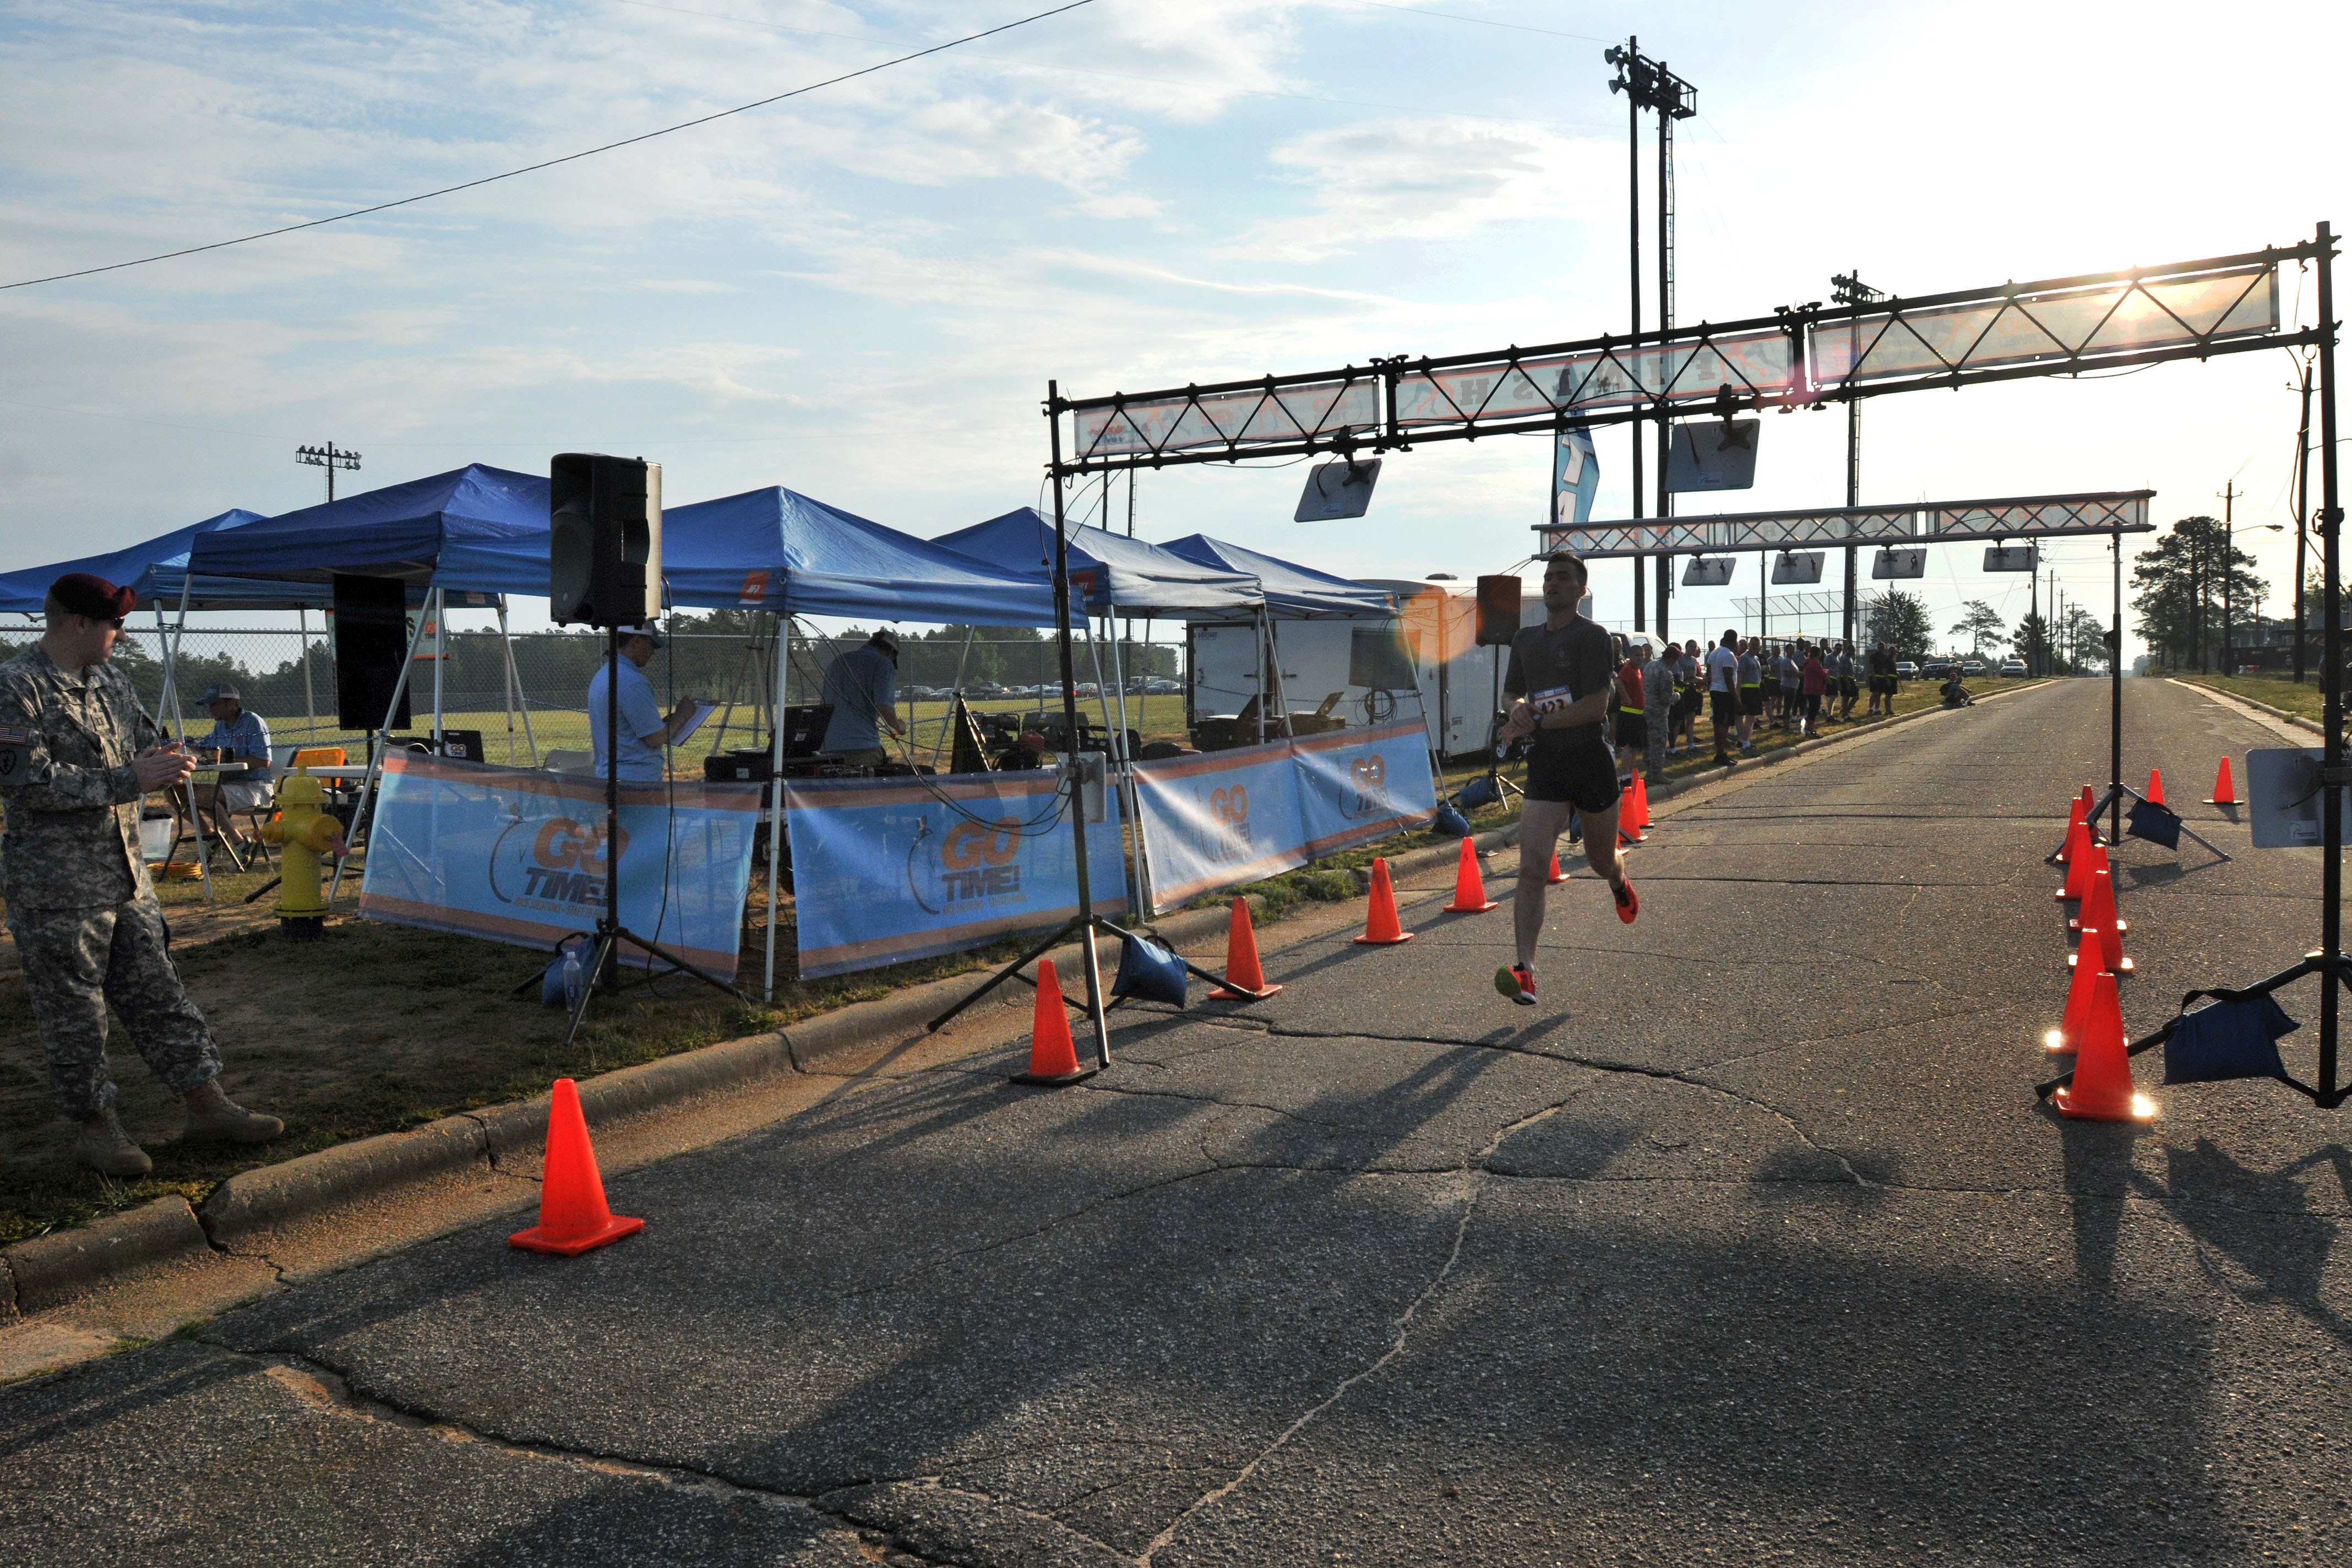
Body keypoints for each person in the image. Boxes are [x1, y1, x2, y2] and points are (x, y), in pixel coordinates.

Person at [0, 573, 283, 1177]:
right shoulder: (16, 686)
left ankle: (206, 1103)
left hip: (127, 876)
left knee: (160, 994)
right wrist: (133, 779)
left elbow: (145, 746)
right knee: (75, 1015)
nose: (121, 637)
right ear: (79, 623)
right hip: (58, 890)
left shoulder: (110, 681)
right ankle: (96, 1129)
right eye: (114, 626)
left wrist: (177, 757)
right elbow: (26, 782)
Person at [1491, 552, 1637, 1009]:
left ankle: (1618, 879)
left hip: (1590, 761)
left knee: (1599, 860)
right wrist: (1516, 707)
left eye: (1563, 578)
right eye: (1548, 577)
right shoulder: (1524, 640)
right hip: (1548, 766)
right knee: (1532, 866)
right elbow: (1512, 690)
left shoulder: (1593, 638)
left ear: (1580, 590)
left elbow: (1596, 707)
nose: (1553, 583)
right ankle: (1526, 970)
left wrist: (1534, 721)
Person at [587, 623, 699, 782]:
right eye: (651, 644)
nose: (653, 652)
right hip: (637, 781)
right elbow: (655, 739)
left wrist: (668, 722)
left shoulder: (603, 675)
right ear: (637, 641)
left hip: (609, 775)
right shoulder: (632, 681)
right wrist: (683, 715)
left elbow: (629, 729)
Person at [189, 681, 273, 852]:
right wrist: (187, 744)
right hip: (229, 787)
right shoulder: (220, 726)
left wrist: (228, 760)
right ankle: (211, 836)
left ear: (233, 703)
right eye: (209, 705)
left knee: (204, 797)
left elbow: (263, 761)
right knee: (175, 792)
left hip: (255, 788)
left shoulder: (253, 722)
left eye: (215, 704)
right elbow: (205, 749)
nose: (210, 709)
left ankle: (239, 842)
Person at [818, 629, 906, 767]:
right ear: (890, 652)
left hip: (828, 747)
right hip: (862, 748)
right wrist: (899, 726)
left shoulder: (838, 661)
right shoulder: (883, 664)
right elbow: (884, 706)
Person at [1641, 638, 1676, 785]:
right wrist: (1677, 696)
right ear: (1673, 659)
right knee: (1659, 742)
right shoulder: (1666, 672)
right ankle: (1657, 773)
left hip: (1645, 707)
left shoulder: (1650, 665)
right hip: (1659, 712)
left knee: (1647, 741)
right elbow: (1666, 697)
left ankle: (1649, 770)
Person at [1613, 640, 1648, 780]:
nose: (1640, 658)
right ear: (1631, 656)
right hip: (1629, 714)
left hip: (1638, 714)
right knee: (1628, 747)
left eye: (1642, 655)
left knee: (1636, 747)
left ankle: (1631, 775)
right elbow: (1618, 682)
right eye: (1637, 655)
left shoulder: (1637, 670)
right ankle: (1625, 777)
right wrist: (1626, 698)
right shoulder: (1628, 669)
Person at [1706, 629, 1741, 765]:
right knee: (1724, 724)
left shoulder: (1714, 653)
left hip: (1715, 689)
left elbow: (1709, 672)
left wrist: (1712, 684)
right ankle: (1721, 754)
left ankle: (1720, 752)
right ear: (1734, 641)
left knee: (1718, 722)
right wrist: (1736, 698)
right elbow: (1728, 677)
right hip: (1725, 692)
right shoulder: (1728, 655)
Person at [1735, 637, 1765, 756]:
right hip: (1747, 690)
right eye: (1753, 645)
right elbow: (1740, 676)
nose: (1755, 647)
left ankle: (1745, 741)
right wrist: (1738, 695)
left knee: (1752, 719)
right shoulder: (1744, 658)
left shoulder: (1756, 658)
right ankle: (1745, 744)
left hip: (1756, 689)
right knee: (1749, 718)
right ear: (1749, 645)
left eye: (1757, 645)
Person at [1800, 643, 1828, 738]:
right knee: (1814, 710)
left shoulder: (1808, 662)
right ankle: (1810, 730)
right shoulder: (1815, 663)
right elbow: (1821, 674)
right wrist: (1827, 672)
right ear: (1819, 654)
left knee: (1812, 709)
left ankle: (1808, 728)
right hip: (1815, 689)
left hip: (1808, 688)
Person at [1835, 642, 1859, 722]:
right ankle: (1846, 715)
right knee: (1846, 698)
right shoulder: (1845, 658)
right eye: (1852, 651)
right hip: (1846, 680)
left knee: (1856, 697)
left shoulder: (1850, 658)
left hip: (1851, 679)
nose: (1853, 652)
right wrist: (1848, 683)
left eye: (1854, 651)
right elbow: (1843, 671)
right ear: (1848, 650)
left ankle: (1846, 712)